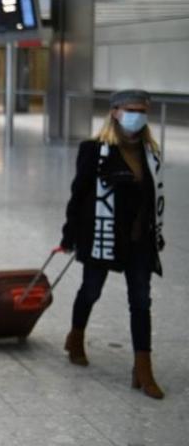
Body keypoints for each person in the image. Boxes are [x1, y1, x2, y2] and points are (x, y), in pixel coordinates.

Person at [57, 89, 166, 399]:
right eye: (131, 109)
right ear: (115, 111)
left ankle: (142, 368)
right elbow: (78, 194)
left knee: (141, 300)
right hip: (103, 236)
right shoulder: (94, 150)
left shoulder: (150, 153)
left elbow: (154, 197)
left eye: (142, 110)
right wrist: (69, 234)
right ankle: (76, 335)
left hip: (139, 240)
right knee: (91, 289)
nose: (138, 116)